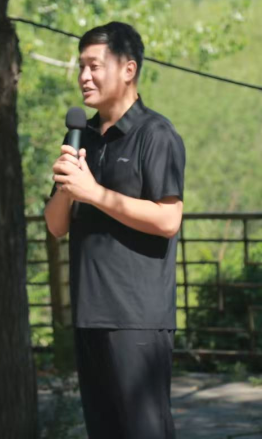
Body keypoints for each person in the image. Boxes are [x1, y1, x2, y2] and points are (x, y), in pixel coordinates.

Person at [46, 22, 186, 439]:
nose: (84, 77)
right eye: (81, 67)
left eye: (94, 66)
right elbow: (55, 225)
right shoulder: (81, 135)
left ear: (128, 69)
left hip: (137, 318)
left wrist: (94, 193)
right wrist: (68, 188)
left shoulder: (156, 134)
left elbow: (168, 220)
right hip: (89, 314)